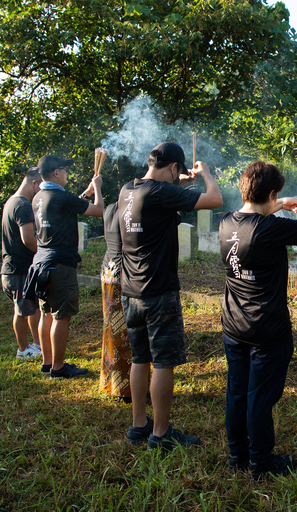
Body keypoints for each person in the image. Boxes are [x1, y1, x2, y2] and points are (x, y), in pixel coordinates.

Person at [218, 161, 297, 480]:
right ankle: (261, 462)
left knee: (237, 393)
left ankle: (237, 455)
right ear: (271, 193)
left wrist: (278, 201)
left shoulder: (226, 222)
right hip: (267, 329)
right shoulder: (269, 228)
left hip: (234, 325)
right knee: (260, 399)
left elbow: (255, 212)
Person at [119, 142, 223, 452]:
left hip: (131, 290)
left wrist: (178, 182)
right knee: (163, 362)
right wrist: (205, 174)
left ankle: (139, 425)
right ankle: (161, 435)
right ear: (175, 167)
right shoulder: (161, 193)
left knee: (140, 358)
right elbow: (215, 199)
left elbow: (158, 190)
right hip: (158, 290)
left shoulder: (128, 189)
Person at [27, 154, 104, 378]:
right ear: (57, 173)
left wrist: (85, 194)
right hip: (61, 264)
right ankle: (59, 368)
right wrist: (97, 188)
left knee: (46, 313)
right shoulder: (61, 197)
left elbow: (65, 208)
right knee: (61, 316)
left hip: (41, 262)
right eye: (65, 170)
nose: (67, 174)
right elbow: (98, 210)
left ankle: (47, 362)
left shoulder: (39, 197)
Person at [1, 167, 42, 360]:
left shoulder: (11, 201)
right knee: (26, 310)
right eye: (40, 187)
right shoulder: (23, 205)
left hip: (12, 268)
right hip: (19, 268)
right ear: (34, 183)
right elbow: (28, 239)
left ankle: (31, 346)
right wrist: (44, 252)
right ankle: (27, 348)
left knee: (26, 309)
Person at [99, 201, 132, 401]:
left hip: (108, 270)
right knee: (124, 334)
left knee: (111, 331)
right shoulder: (127, 210)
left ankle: (109, 381)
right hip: (123, 274)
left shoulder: (110, 208)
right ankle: (124, 388)